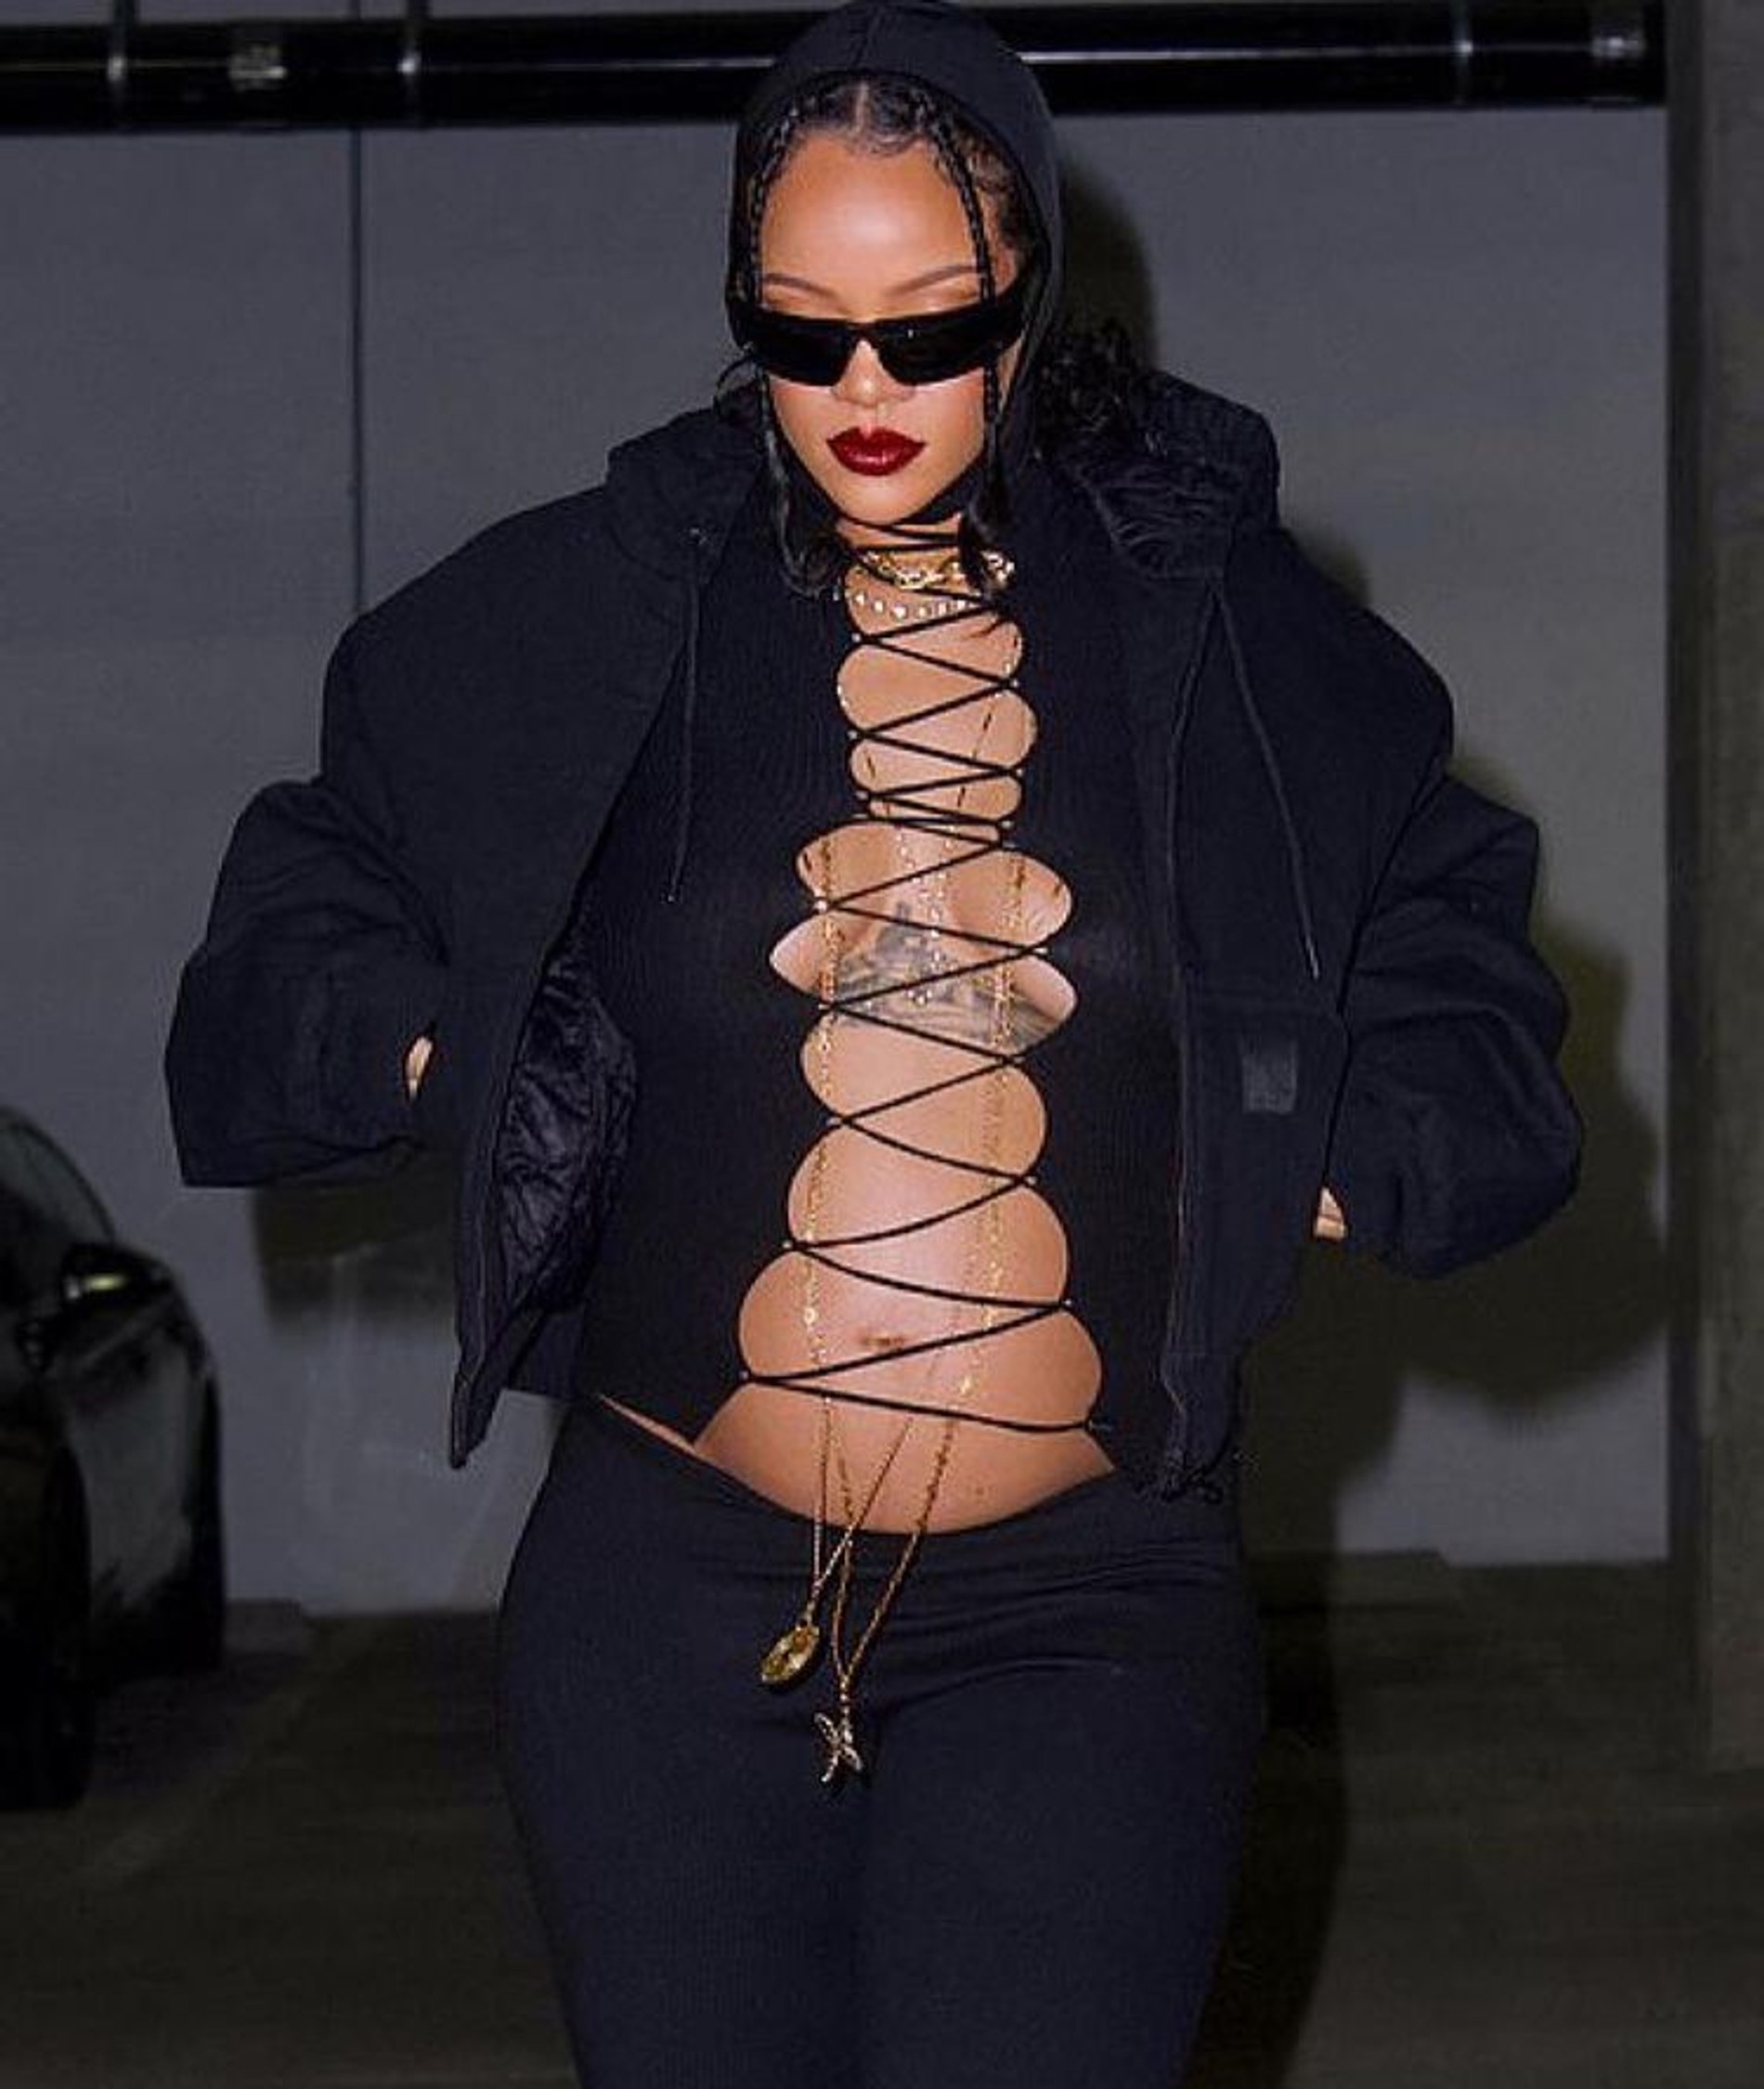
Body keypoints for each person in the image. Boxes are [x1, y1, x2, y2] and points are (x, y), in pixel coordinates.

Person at [164, 2, 1582, 2081]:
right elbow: (306, 896)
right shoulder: (604, 608)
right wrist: (431, 1051)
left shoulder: (1219, 633)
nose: (862, 391)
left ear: (1029, 302)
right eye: (801, 328)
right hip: (666, 1595)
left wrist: (1357, 1144)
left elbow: (1458, 955)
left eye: (930, 329)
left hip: (1089, 1607)